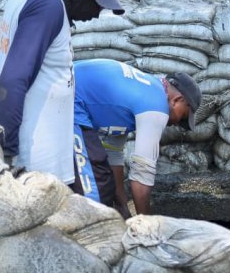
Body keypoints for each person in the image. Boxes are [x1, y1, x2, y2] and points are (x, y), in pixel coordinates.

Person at [0, 0, 128, 185]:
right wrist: (7, 151)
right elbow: (13, 79)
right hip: (30, 160)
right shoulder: (48, 6)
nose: (96, 14)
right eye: (99, 3)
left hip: (31, 154)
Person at [72, 59, 201, 217]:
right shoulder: (157, 105)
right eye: (183, 117)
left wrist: (122, 207)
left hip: (70, 93)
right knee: (96, 192)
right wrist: (146, 224)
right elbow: (142, 175)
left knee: (103, 181)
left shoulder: (138, 93)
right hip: (69, 97)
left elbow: (113, 154)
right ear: (177, 100)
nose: (177, 124)